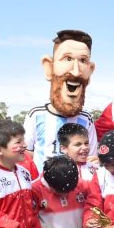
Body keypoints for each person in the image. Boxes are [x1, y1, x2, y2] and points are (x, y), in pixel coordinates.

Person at [24, 30, 98, 172]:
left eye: (83, 60)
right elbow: (25, 154)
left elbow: (91, 158)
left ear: (90, 71)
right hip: (42, 189)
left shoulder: (86, 119)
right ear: (49, 67)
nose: (76, 71)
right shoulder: (36, 115)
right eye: (68, 59)